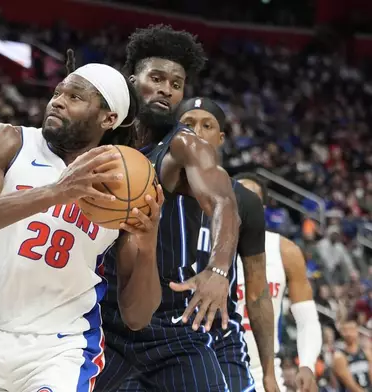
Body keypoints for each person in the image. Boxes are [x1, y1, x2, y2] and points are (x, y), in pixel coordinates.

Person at [0, 57, 164, 392]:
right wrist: (56, 192)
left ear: (108, 118)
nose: (58, 101)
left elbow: (137, 317)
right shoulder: (10, 141)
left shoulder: (123, 185)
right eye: (58, 92)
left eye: (75, 97)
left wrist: (149, 240)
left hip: (61, 348)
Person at [95, 26, 243, 392]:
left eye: (176, 84)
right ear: (133, 80)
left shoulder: (183, 146)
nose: (166, 89)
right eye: (156, 78)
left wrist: (219, 270)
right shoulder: (103, 141)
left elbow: (223, 201)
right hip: (102, 318)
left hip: (171, 323)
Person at [176, 97, 317, 391]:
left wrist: (302, 363)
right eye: (188, 125)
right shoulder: (163, 190)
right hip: (177, 342)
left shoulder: (283, 249)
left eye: (207, 125)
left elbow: (283, 308)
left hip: (240, 354)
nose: (197, 132)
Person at [233, 172, 322, 392]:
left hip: (265, 373)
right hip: (216, 366)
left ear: (261, 210)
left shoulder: (284, 251)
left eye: (251, 200)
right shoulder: (206, 248)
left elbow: (307, 318)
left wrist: (307, 364)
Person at [331, 313, 371, 392]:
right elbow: (350, 385)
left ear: (357, 331)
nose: (349, 333)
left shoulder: (366, 352)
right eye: (345, 330)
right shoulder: (339, 356)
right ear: (341, 332)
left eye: (352, 330)